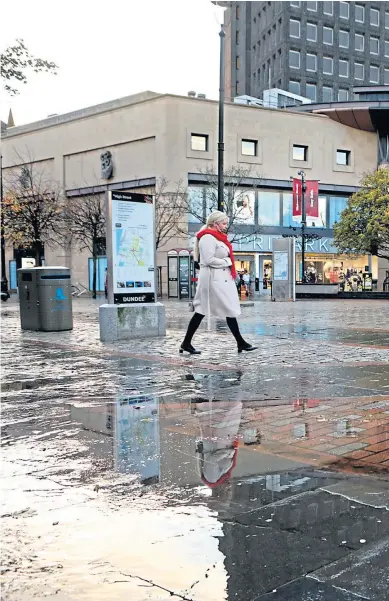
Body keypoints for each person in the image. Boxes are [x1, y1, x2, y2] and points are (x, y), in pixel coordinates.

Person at [180, 210, 257, 354]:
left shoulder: (218, 238)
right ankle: (240, 343)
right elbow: (208, 260)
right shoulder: (208, 238)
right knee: (207, 310)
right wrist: (227, 261)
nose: (225, 226)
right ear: (215, 223)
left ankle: (187, 343)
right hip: (212, 280)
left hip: (219, 279)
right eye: (223, 223)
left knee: (218, 310)